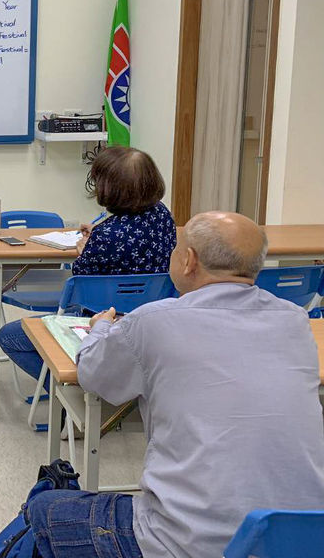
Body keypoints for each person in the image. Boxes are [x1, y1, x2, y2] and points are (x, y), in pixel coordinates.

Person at [26, 211, 324, 558]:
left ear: (189, 261)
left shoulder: (153, 321)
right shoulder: (293, 320)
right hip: (299, 540)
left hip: (186, 541)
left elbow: (94, 376)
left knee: (45, 507)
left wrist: (101, 329)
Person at [0, 146, 177, 384]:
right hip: (150, 318)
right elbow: (134, 244)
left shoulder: (106, 236)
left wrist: (84, 250)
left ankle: (67, 394)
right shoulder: (162, 215)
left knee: (9, 337)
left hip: (100, 319)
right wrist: (99, 237)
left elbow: (80, 280)